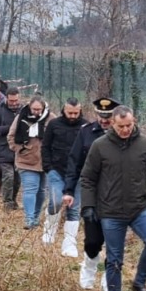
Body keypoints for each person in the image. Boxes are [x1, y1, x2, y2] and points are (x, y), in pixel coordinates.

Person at [80, 105, 146, 291]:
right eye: (121, 126)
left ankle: (139, 282)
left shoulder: (145, 145)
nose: (125, 130)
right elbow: (88, 179)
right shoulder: (100, 146)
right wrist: (88, 206)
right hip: (110, 212)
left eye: (129, 125)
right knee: (114, 260)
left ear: (134, 121)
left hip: (139, 208)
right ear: (112, 123)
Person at [62, 97, 119, 291]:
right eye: (101, 116)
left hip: (116, 197)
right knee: (93, 240)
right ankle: (89, 264)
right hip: (91, 194)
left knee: (114, 244)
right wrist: (69, 190)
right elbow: (74, 162)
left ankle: (108, 289)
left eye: (108, 116)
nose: (104, 120)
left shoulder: (122, 134)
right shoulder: (86, 132)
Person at [43, 98, 87, 257]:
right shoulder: (54, 125)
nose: (73, 116)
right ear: (64, 110)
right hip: (56, 170)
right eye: (70, 113)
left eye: (76, 113)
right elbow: (45, 146)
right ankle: (49, 229)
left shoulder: (86, 127)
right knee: (55, 201)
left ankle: (69, 243)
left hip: (78, 174)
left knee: (73, 208)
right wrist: (47, 167)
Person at [8, 95, 51, 230]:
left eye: (39, 109)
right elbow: (11, 136)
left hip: (45, 161)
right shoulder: (21, 117)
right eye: (34, 109)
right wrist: (20, 149)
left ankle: (36, 217)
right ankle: (29, 218)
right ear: (29, 107)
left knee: (41, 191)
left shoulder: (51, 118)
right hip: (26, 161)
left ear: (44, 108)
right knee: (30, 189)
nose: (36, 112)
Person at [0, 86, 23, 211]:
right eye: (11, 101)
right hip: (3, 147)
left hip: (19, 149)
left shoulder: (24, 111)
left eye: (16, 100)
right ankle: (7, 203)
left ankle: (13, 200)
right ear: (6, 99)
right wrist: (10, 128)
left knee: (17, 178)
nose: (14, 103)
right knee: (8, 175)